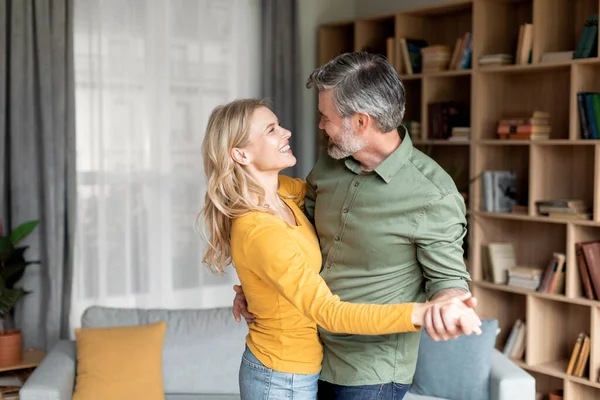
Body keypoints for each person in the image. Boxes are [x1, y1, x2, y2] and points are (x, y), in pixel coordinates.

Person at [198, 98, 482, 400]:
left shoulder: (284, 193)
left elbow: (337, 196)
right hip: (280, 378)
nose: (287, 132)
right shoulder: (259, 229)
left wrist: (258, 288)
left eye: (278, 124)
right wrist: (422, 313)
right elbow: (329, 312)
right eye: (271, 130)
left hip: (308, 369)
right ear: (241, 153)